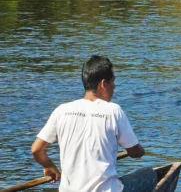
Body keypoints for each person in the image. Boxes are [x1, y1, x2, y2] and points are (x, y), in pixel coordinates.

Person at [31, 55, 156, 192]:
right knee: (150, 174)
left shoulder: (61, 110)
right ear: (103, 84)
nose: (114, 87)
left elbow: (36, 149)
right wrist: (140, 150)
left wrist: (49, 166)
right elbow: (135, 152)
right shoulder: (113, 110)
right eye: (112, 82)